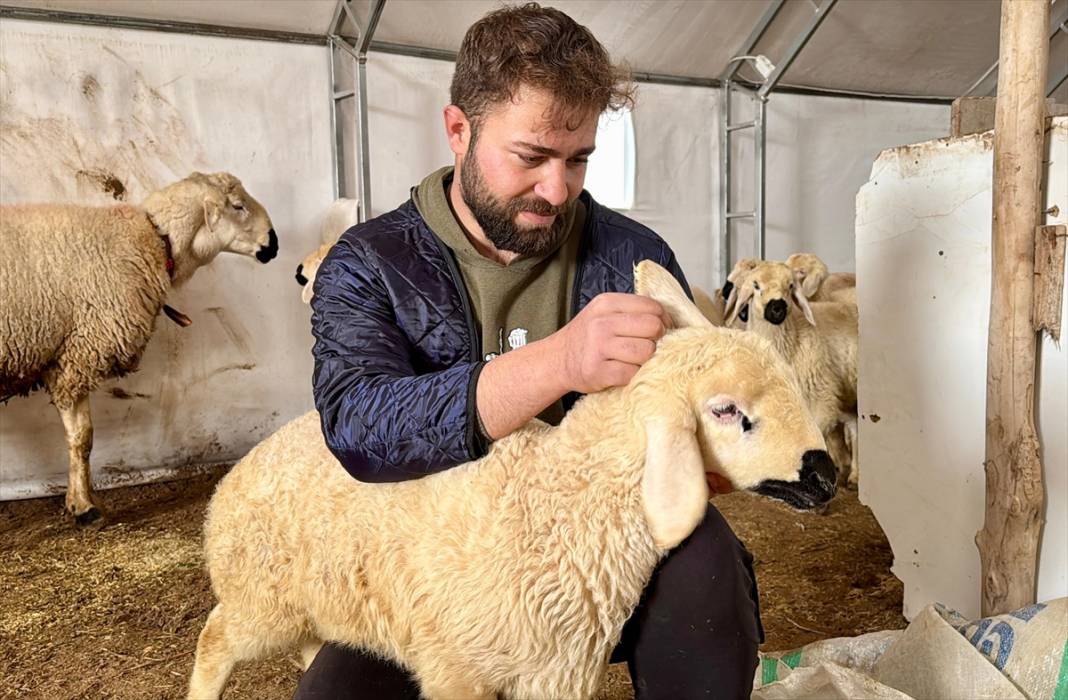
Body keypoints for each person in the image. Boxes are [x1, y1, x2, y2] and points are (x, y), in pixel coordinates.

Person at [301, 4, 762, 698]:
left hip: (599, 543)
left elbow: (688, 406)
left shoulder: (633, 256)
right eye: (531, 156)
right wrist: (560, 361)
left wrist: (716, 445)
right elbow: (361, 430)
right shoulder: (369, 263)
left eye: (579, 160)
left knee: (705, 559)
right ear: (458, 130)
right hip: (436, 557)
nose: (557, 189)